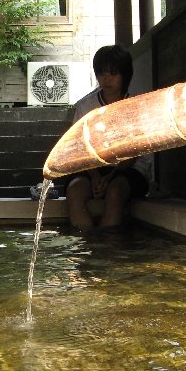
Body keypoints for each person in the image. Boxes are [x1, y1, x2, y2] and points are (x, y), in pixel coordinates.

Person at [66, 44, 152, 232]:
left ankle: (108, 245)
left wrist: (110, 177)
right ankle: (87, 242)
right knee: (74, 191)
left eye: (113, 73)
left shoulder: (135, 106)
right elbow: (79, 147)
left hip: (131, 170)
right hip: (92, 169)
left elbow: (134, 154)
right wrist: (95, 176)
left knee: (114, 192)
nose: (106, 79)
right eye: (102, 73)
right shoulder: (85, 106)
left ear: (125, 75)